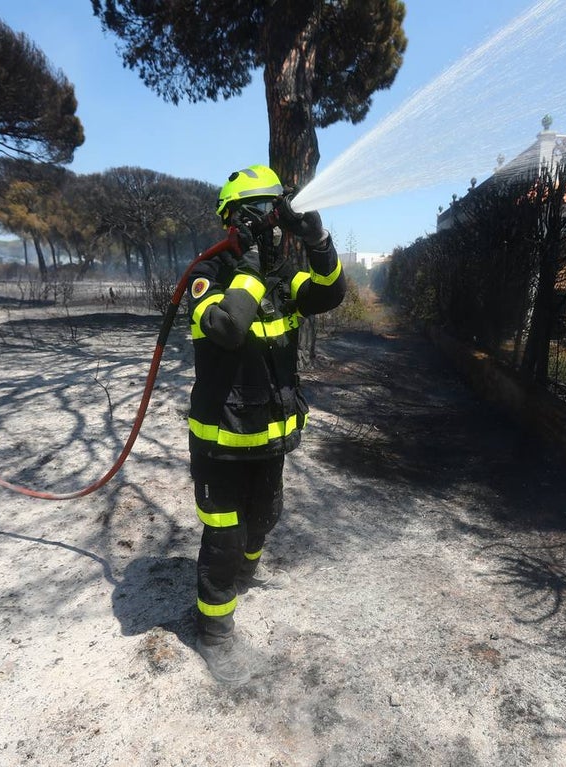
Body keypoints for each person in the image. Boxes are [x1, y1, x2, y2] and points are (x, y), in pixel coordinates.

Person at [185, 165, 347, 684]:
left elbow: (329, 293)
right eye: (259, 212)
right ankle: (214, 632)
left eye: (274, 211)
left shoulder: (278, 277)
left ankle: (244, 575)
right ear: (233, 220)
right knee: (225, 535)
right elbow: (230, 326)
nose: (270, 224)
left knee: (266, 517)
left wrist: (317, 239)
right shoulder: (206, 278)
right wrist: (251, 265)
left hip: (269, 438)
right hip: (221, 443)